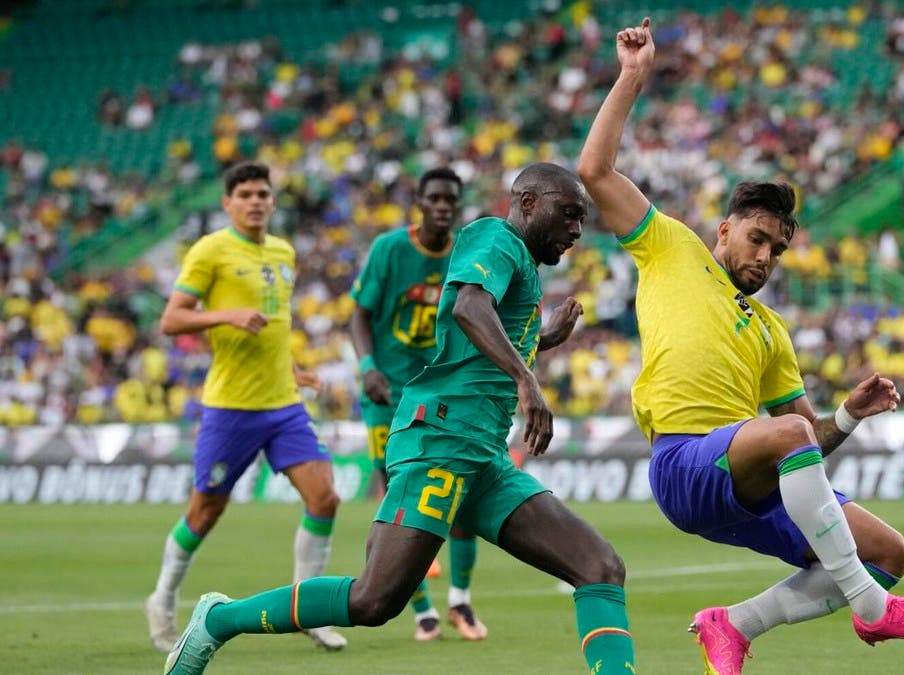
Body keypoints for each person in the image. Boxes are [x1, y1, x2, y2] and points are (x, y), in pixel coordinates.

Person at [577, 18, 904, 675]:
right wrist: (632, 76)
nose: (766, 256)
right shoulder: (672, 247)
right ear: (725, 229)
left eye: (778, 249)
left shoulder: (771, 330)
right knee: (786, 436)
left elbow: (807, 438)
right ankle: (872, 610)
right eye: (757, 238)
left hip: (751, 479)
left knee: (888, 552)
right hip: (685, 463)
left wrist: (846, 415)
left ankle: (734, 624)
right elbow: (594, 169)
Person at [165, 162, 638, 675]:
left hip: (482, 456)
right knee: (373, 600)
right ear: (527, 203)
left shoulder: (517, 262)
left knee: (599, 567)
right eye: (568, 214)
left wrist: (543, 339)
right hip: (441, 440)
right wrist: (527, 380)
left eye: (582, 220)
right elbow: (468, 307)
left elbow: (477, 341)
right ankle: (219, 620)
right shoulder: (495, 238)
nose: (576, 230)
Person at [145, 161, 346, 653]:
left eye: (263, 193)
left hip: (283, 404)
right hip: (230, 409)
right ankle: (163, 599)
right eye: (246, 194)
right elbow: (171, 320)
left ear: (273, 201)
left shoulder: (283, 251)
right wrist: (226, 315)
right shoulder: (210, 250)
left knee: (325, 498)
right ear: (228, 202)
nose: (256, 201)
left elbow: (275, 324)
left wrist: (295, 369)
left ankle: (308, 612)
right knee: (205, 511)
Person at [350, 166, 489, 642]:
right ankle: (422, 610)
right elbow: (359, 313)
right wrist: (367, 364)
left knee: (465, 493)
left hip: (442, 392)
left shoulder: (469, 255)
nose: (443, 205)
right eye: (434, 197)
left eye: (451, 198)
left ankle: (461, 602)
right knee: (397, 498)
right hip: (386, 391)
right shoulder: (389, 249)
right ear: (419, 201)